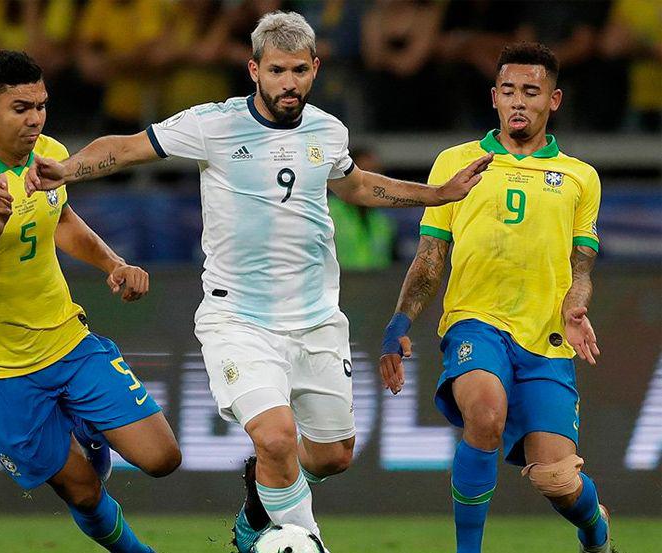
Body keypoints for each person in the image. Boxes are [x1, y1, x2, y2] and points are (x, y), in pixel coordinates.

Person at [25, 12, 491, 551]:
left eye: (298, 70)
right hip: (239, 319)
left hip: (316, 319)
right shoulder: (214, 125)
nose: (287, 83)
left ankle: (256, 509)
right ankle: (303, 541)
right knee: (275, 437)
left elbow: (357, 185)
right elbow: (127, 147)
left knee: (333, 455)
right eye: (276, 71)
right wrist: (67, 170)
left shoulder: (328, 130)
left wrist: (438, 194)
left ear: (315, 68)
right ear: (254, 69)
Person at [0, 50, 181, 553]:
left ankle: (80, 425)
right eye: (21, 107)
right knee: (85, 492)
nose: (36, 118)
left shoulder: (51, 154)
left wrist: (114, 264)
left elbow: (60, 220)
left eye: (41, 105)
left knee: (161, 457)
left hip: (67, 340)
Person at [379, 43, 613, 553]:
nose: (519, 102)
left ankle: (596, 531)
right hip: (475, 323)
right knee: (485, 412)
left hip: (547, 339)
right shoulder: (456, 162)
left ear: (554, 100)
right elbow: (429, 256)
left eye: (531, 92)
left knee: (558, 481)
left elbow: (583, 263)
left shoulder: (580, 177)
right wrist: (399, 324)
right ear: (494, 97)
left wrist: (578, 300)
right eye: (508, 91)